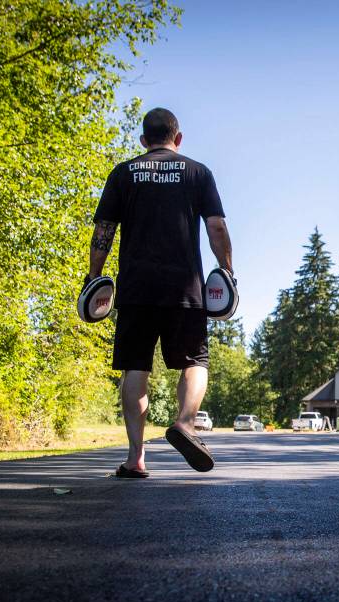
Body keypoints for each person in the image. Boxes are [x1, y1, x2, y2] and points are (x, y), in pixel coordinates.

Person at [88, 107, 234, 477]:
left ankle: (136, 458)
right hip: (184, 287)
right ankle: (185, 423)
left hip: (136, 287)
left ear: (142, 141)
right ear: (178, 138)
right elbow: (216, 226)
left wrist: (94, 276)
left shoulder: (123, 173)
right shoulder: (199, 172)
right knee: (194, 361)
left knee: (135, 366)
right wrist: (228, 270)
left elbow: (104, 229)